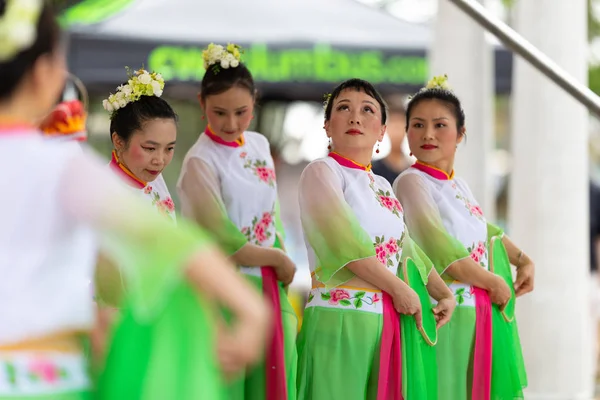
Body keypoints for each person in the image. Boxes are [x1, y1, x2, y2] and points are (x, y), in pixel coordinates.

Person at [0, 2, 269, 399]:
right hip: (39, 378)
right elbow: (168, 242)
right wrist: (251, 308)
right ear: (43, 75)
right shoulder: (58, 165)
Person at [296, 78, 456, 400]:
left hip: (385, 322)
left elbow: (407, 248)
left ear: (382, 130)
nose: (355, 117)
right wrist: (399, 288)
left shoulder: (383, 185)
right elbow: (345, 245)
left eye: (367, 110)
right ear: (327, 126)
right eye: (344, 108)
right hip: (338, 319)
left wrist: (444, 294)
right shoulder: (321, 172)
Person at [394, 75, 533, 400]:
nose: (427, 134)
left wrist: (523, 260)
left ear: (460, 134)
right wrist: (495, 282)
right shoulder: (412, 182)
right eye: (417, 125)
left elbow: (486, 231)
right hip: (442, 311)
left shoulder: (457, 185)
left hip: (477, 309)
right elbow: (439, 247)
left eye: (439, 125)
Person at [177, 43, 298, 400]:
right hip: (224, 287)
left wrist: (279, 257)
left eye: (241, 112)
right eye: (219, 113)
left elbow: (270, 214)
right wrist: (277, 259)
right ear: (201, 104)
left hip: (267, 282)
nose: (231, 124)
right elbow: (222, 239)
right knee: (230, 386)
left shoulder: (259, 145)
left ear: (255, 102)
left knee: (270, 383)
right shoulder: (200, 162)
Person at [371, 95, 411, 184]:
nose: (396, 132)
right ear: (386, 129)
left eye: (400, 126)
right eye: (394, 126)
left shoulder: (413, 170)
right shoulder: (374, 169)